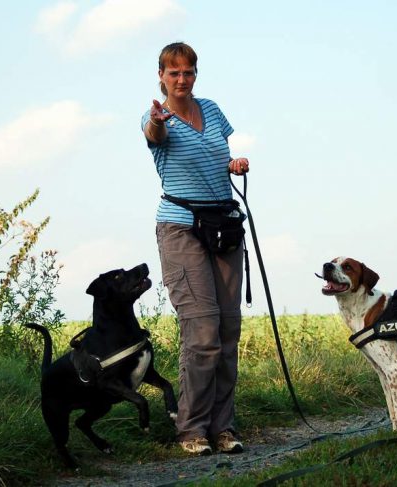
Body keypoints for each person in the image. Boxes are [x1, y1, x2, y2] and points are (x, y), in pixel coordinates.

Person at [141, 42, 250, 456]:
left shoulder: (213, 110)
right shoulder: (155, 117)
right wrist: (156, 121)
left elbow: (212, 157)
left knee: (227, 332)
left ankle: (223, 428)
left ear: (195, 75)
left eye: (188, 73)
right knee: (202, 334)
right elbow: (158, 135)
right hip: (181, 228)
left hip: (222, 226)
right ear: (161, 76)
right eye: (174, 73)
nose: (182, 80)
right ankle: (191, 429)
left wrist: (233, 164)